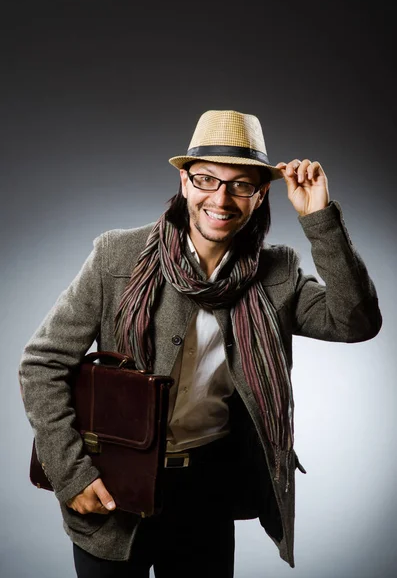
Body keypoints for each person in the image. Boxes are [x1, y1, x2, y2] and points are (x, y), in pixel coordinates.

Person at [19, 109, 382, 577]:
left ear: (260, 195)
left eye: (241, 185)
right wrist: (72, 475)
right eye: (207, 179)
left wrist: (320, 219)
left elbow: (355, 321)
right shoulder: (118, 256)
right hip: (112, 485)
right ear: (185, 184)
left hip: (206, 492)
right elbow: (42, 362)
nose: (222, 198)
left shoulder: (277, 274)